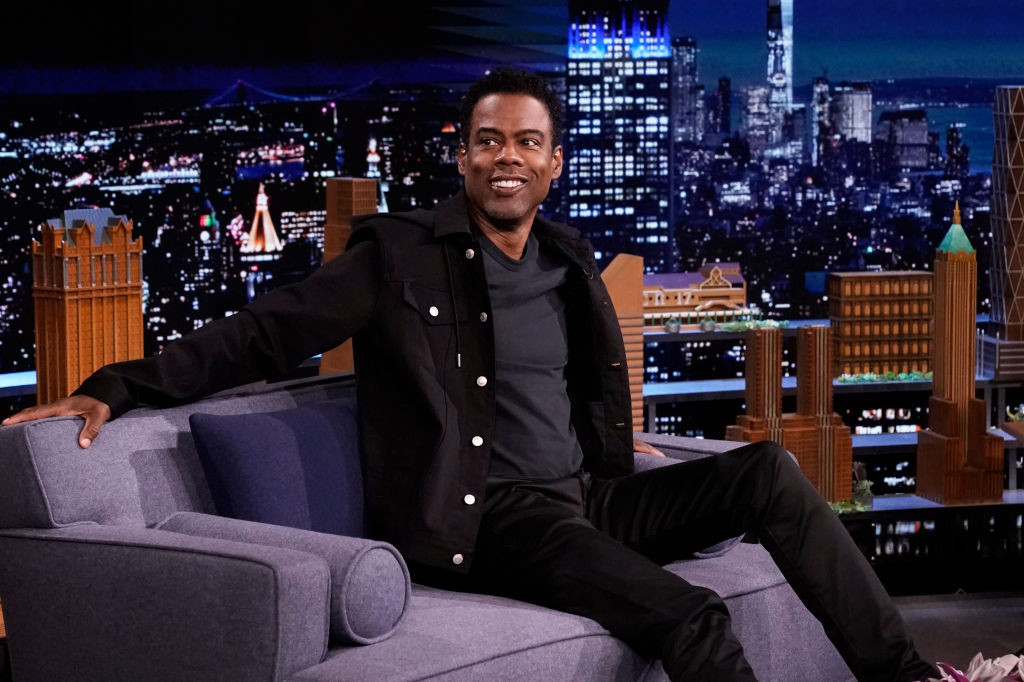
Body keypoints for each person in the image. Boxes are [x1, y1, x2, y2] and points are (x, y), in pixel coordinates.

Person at [3, 68, 938, 682]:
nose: (507, 158)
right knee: (688, 616)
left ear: (554, 163)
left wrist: (617, 450)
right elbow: (264, 333)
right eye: (489, 141)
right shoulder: (398, 258)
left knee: (768, 471)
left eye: (527, 142)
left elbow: (584, 386)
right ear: (464, 157)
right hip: (490, 519)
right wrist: (117, 385)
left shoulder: (567, 260)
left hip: (588, 497)